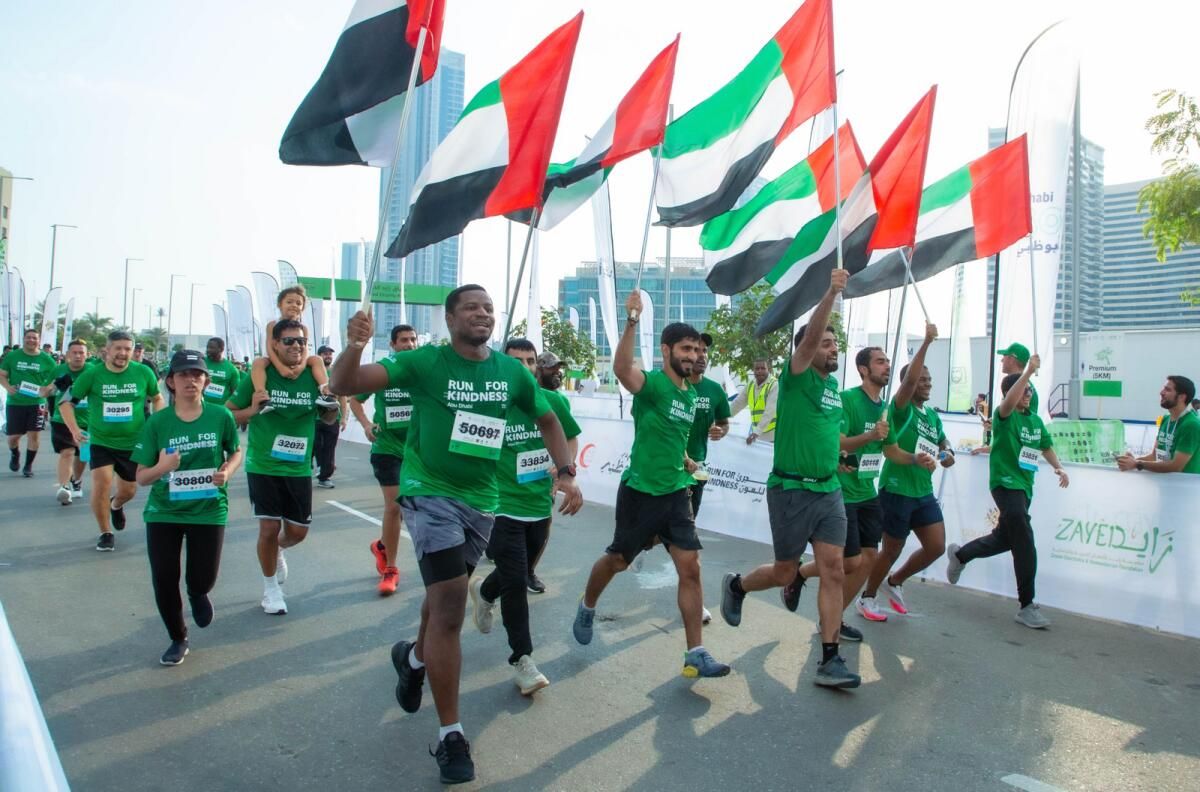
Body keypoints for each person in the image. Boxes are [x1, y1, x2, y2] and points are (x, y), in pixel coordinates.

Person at [329, 285, 582, 785]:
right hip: (429, 493)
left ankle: (413, 659)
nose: (482, 314)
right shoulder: (425, 363)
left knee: (439, 599)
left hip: (482, 502)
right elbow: (345, 382)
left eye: (488, 308)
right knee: (448, 606)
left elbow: (549, 419)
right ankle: (451, 736)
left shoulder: (510, 372)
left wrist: (567, 471)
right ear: (449, 319)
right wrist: (355, 344)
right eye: (471, 307)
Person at [573, 290, 731, 682]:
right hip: (641, 492)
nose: (693, 355)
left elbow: (672, 436)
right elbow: (622, 368)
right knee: (618, 561)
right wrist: (632, 320)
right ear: (666, 350)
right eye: (686, 348)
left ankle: (695, 653)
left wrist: (686, 459)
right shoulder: (654, 385)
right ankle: (588, 604)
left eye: (696, 350)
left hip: (677, 491)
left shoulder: (690, 394)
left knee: (690, 567)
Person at [719, 269, 861, 689]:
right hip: (791, 490)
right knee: (785, 571)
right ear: (808, 349)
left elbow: (827, 435)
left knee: (833, 569)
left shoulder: (834, 390)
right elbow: (810, 338)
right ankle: (738, 586)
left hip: (828, 491)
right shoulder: (795, 375)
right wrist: (831, 294)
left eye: (836, 343)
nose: (833, 348)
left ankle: (830, 659)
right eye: (826, 343)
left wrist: (841, 458)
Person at [468, 339, 581, 696]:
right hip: (500, 505)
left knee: (519, 569)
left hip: (538, 505)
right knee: (516, 582)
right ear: (501, 364)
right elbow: (469, 450)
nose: (524, 368)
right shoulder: (489, 403)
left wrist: (564, 472)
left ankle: (485, 591)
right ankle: (522, 660)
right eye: (515, 361)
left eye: (530, 361)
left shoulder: (552, 402)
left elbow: (570, 439)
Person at [132, 350, 242, 665]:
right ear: (171, 382)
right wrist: (163, 467)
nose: (191, 380)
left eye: (197, 374)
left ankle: (197, 593)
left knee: (202, 578)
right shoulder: (158, 422)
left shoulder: (221, 416)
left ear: (206, 380)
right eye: (183, 375)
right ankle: (178, 637)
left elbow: (235, 452)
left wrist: (227, 471)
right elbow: (141, 477)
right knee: (164, 578)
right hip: (164, 511)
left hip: (208, 509)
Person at [946, 355, 1069, 629]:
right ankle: (1027, 605)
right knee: (1024, 540)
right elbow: (1009, 402)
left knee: (1004, 539)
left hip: (1024, 487)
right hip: (1004, 483)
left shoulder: (1035, 421)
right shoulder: (1004, 415)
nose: (1028, 394)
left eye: (1030, 391)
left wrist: (1059, 468)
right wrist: (1028, 372)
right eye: (1024, 390)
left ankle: (961, 555)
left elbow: (1046, 447)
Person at [782, 345, 892, 632]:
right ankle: (801, 575)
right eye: (880, 362)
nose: (887, 366)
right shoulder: (847, 399)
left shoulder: (885, 408)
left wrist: (918, 458)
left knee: (869, 558)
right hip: (842, 491)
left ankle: (832, 619)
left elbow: (888, 449)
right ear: (864, 369)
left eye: (888, 362)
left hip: (868, 490)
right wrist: (870, 435)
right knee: (849, 562)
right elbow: (838, 442)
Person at [227, 319, 324, 615]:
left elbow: (328, 418)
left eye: (301, 341)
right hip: (264, 464)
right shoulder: (261, 374)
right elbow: (229, 415)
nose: (296, 346)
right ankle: (271, 589)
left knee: (297, 532)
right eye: (289, 341)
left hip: (298, 468)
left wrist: (333, 409)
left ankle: (278, 548)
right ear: (275, 345)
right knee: (268, 527)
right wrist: (252, 410)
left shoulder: (315, 374)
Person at [861, 323, 954, 616]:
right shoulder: (901, 409)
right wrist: (926, 343)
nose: (926, 383)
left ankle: (895, 581)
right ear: (908, 385)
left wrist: (947, 452)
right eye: (921, 380)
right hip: (897, 489)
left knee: (936, 546)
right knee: (892, 549)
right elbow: (910, 381)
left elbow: (942, 440)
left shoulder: (932, 415)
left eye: (929, 379)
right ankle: (867, 597)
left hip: (923, 491)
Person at [59, 331, 165, 551]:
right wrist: (75, 430)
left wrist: (157, 422)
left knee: (129, 491)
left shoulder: (143, 372)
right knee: (102, 483)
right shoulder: (92, 374)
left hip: (133, 443)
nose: (123, 353)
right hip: (101, 441)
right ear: (107, 350)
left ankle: (115, 505)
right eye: (118, 348)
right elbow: (66, 403)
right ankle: (105, 532)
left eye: (127, 349)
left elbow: (157, 398)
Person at [350, 323, 418, 596]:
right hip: (386, 449)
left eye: (413, 340)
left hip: (416, 451)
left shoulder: (421, 372)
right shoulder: (384, 371)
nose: (409, 344)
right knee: (395, 506)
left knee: (413, 508)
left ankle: (381, 545)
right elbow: (355, 399)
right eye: (403, 340)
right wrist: (367, 425)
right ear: (392, 344)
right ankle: (390, 568)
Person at [524, 350, 579, 594]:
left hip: (544, 477)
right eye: (551, 368)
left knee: (541, 526)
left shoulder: (559, 401)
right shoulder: (518, 395)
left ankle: (529, 570)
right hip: (508, 480)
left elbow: (570, 438)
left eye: (559, 368)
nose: (558, 372)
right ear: (539, 370)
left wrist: (565, 468)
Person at [248, 285, 335, 414]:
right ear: (279, 304)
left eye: (298, 303)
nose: (294, 305)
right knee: (258, 362)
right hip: (275, 358)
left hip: (297, 359)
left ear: (302, 308)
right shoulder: (272, 325)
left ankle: (326, 392)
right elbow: (270, 348)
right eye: (289, 302)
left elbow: (305, 349)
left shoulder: (303, 328)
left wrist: (301, 366)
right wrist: (281, 368)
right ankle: (262, 397)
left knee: (316, 359)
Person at [0, 328, 57, 477]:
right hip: (15, 403)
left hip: (37, 403)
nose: (31, 340)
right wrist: (7, 387)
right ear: (24, 339)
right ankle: (15, 454)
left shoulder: (46, 359)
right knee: (13, 437)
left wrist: (47, 389)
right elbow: (2, 374)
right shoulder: (13, 356)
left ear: (39, 341)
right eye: (29, 337)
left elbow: (57, 377)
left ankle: (28, 465)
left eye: (34, 338)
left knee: (34, 435)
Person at [1116, 375, 1200, 475]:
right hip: (1165, 482)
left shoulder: (1191, 425)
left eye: (1167, 390)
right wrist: (1131, 461)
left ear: (1182, 397)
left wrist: (1137, 464)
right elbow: (1154, 456)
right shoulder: (1166, 419)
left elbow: (1175, 466)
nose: (1161, 392)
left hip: (1185, 484)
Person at [43, 339, 91, 504]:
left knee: (83, 454)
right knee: (67, 452)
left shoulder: (93, 371)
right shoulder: (58, 370)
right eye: (74, 353)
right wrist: (53, 386)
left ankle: (76, 480)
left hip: (87, 419)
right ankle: (64, 487)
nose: (78, 356)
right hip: (61, 418)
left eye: (81, 353)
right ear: (67, 354)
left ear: (87, 355)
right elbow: (42, 393)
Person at [312, 344, 346, 488]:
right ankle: (309, 468)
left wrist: (343, 418)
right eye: (325, 353)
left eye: (330, 354)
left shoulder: (336, 374)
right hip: (314, 418)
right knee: (314, 446)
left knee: (329, 449)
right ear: (319, 356)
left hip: (333, 419)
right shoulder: (311, 372)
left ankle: (324, 477)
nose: (328, 356)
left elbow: (342, 397)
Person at [729, 357, 777, 444]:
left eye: (763, 368)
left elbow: (770, 411)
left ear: (768, 369)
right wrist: (722, 416)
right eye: (757, 369)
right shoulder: (750, 385)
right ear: (753, 370)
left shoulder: (774, 385)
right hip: (757, 436)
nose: (759, 371)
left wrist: (756, 432)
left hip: (773, 436)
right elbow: (737, 404)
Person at [997, 342, 1037, 413]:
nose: (1002, 360)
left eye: (1004, 356)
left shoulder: (1025, 388)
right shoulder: (1028, 388)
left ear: (1011, 360)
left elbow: (1026, 419)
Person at [203, 337, 241, 407]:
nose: (208, 350)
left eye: (211, 348)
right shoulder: (202, 363)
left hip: (222, 408)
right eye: (207, 347)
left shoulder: (231, 369)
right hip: (202, 406)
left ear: (221, 349)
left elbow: (235, 392)